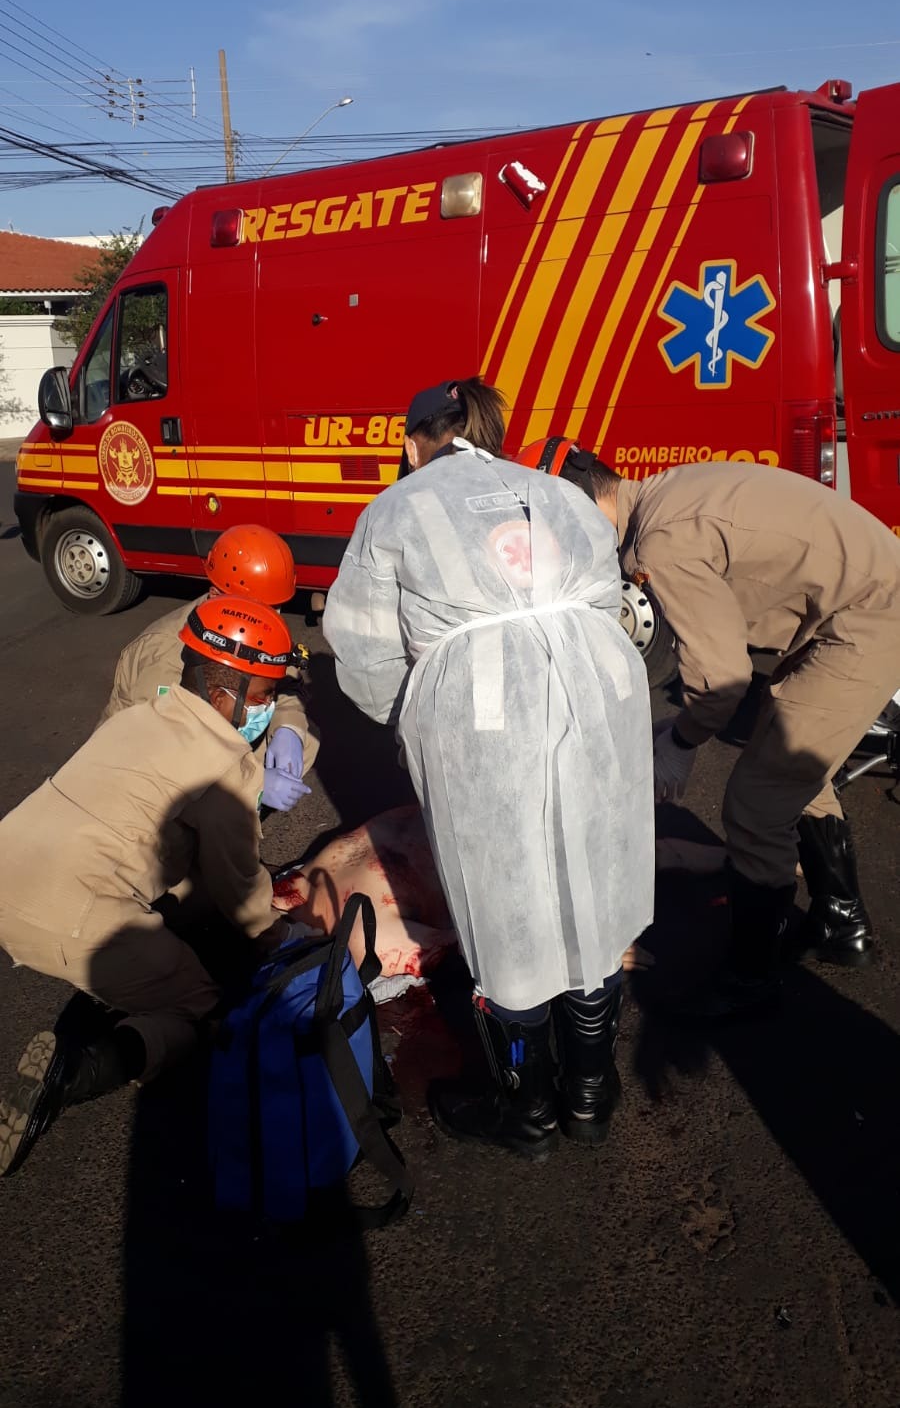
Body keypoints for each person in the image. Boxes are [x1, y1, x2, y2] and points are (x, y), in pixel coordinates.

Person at [324, 377, 654, 1161]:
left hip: (482, 723)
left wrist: (419, 725)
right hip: (600, 703)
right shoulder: (557, 492)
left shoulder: (398, 509)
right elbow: (609, 597)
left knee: (506, 909)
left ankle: (528, 1108)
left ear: (414, 443)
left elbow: (366, 655)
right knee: (595, 887)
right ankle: (590, 1092)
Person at [518, 438, 900, 1016]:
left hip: (868, 616)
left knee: (756, 802)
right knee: (792, 762)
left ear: (572, 503)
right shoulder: (661, 495)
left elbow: (722, 676)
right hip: (849, 606)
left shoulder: (660, 539)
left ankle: (751, 977)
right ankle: (840, 925)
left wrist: (680, 741)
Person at [0, 596, 297, 1178]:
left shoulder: (141, 715)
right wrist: (278, 934)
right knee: (202, 1010)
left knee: (154, 916)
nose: (268, 711)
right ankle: (76, 1069)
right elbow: (241, 890)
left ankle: (117, 974)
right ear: (222, 693)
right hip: (68, 910)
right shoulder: (225, 765)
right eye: (263, 697)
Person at [98, 523, 317, 813]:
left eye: (277, 608)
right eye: (264, 608)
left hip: (210, 736)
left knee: (306, 741)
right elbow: (157, 756)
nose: (273, 618)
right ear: (216, 595)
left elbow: (286, 681)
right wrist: (254, 785)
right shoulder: (168, 655)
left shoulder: (253, 627)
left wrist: (288, 727)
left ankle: (234, 818)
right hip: (139, 777)